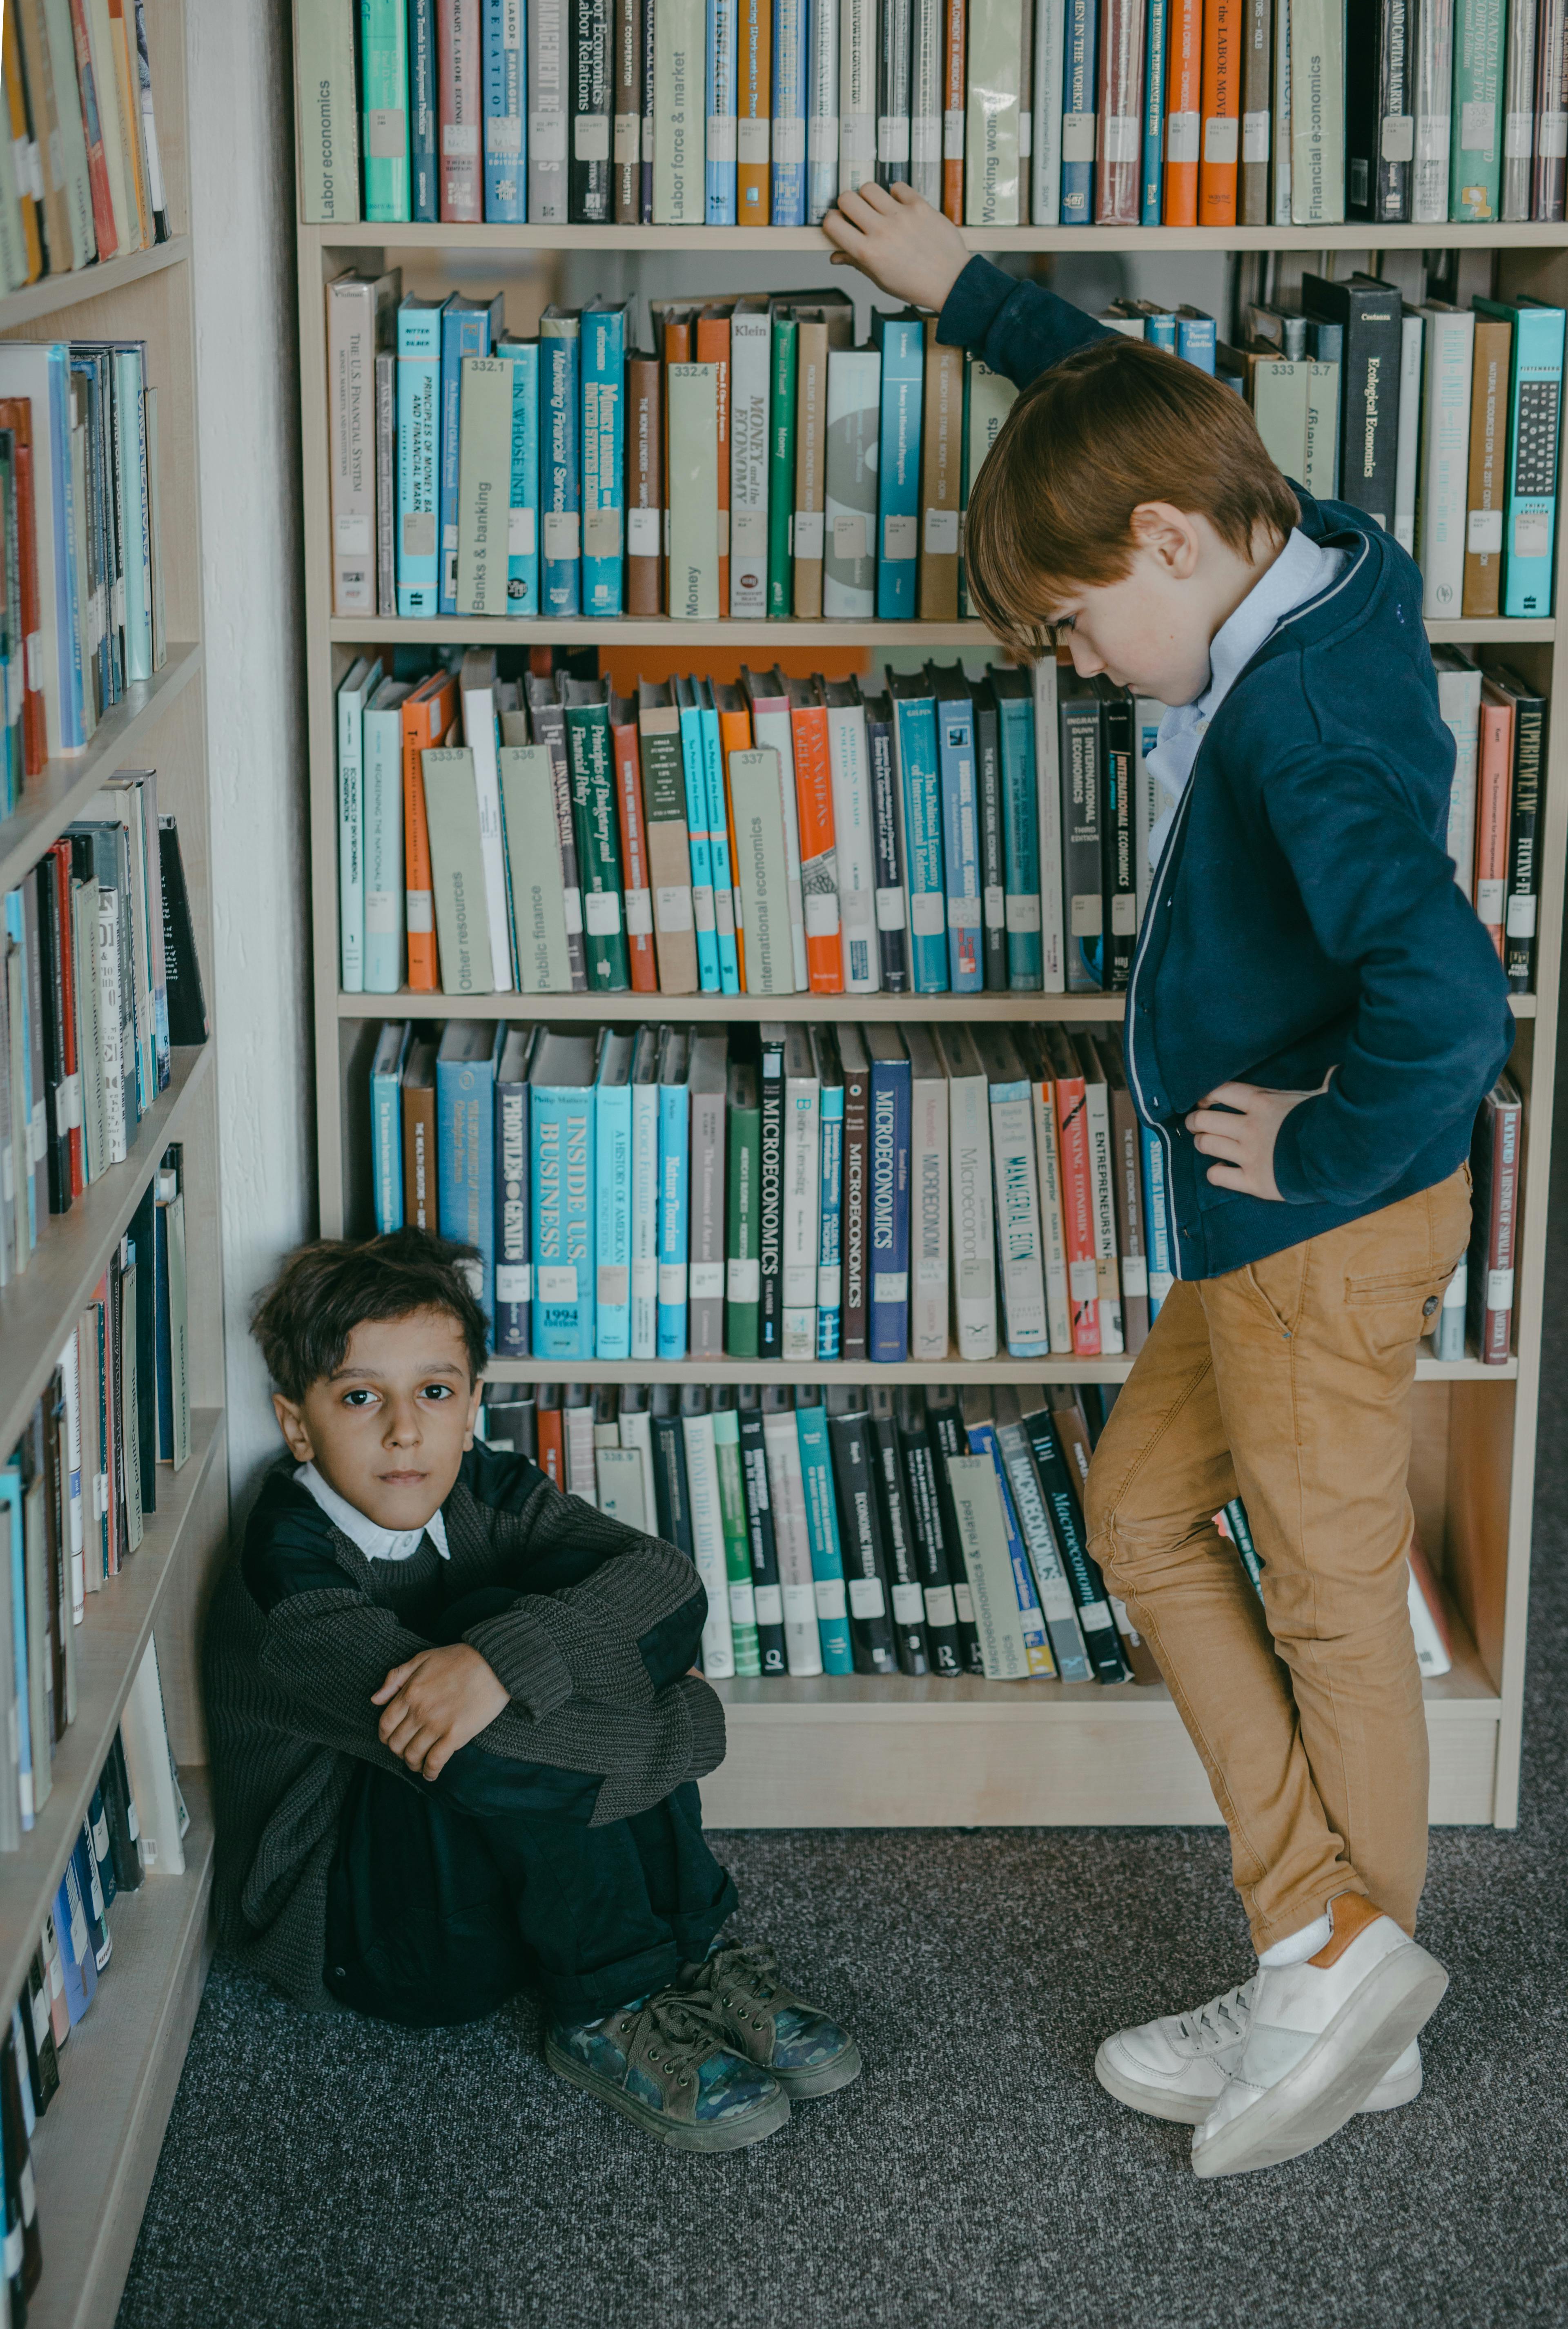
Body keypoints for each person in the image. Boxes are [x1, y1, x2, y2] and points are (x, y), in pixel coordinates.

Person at [823, 183, 1512, 2177]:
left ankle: (1338, 1982)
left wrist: (1312, 1130)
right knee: (1139, 1509)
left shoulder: (1296, 723)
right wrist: (969, 295)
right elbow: (1126, 393)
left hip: (1322, 1227)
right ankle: (1326, 1937)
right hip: (1267, 1243)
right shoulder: (1285, 545)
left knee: (1323, 1597)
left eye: (1074, 624)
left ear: (1166, 549)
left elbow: (1449, 1005)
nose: (1074, 658)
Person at [205, 1228, 860, 2152]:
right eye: (361, 1398)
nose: (404, 1430)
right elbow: (478, 1758)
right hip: (372, 1937)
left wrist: (503, 1660)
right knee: (503, 1686)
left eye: (434, 1392)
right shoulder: (288, 1576)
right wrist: (690, 1726)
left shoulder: (484, 1486)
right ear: (298, 1425)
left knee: (529, 1632)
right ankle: (606, 2000)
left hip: (488, 1875)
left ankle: (686, 1952)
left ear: (472, 1403)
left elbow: (666, 1582)